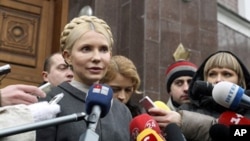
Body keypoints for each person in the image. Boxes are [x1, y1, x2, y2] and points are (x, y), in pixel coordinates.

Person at [36, 15, 132, 141]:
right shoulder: (49, 103)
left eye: (103, 49)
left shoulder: (122, 111)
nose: (97, 57)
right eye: (86, 49)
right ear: (68, 56)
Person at [148, 51, 250, 141]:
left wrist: (185, 122)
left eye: (227, 74)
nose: (218, 79)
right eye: (212, 74)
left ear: (240, 81)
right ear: (205, 80)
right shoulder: (185, 110)